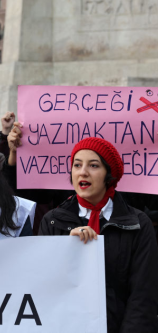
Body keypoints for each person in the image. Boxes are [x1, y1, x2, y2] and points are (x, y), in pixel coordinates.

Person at [38, 137, 158, 332]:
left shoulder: (139, 224)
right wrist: (66, 249)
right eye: (77, 165)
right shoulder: (52, 221)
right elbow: (44, 287)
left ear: (109, 176)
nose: (82, 172)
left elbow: (142, 297)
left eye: (93, 165)